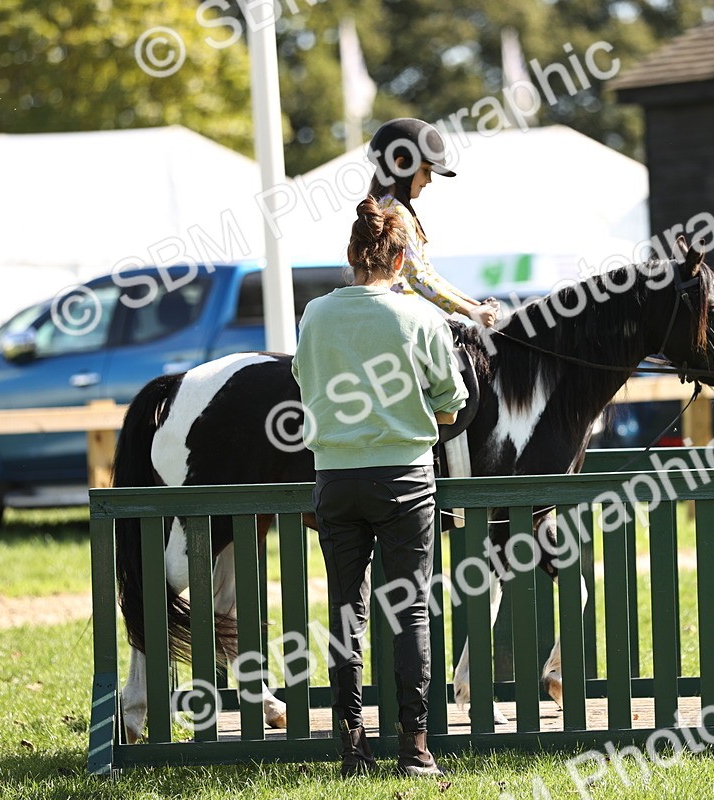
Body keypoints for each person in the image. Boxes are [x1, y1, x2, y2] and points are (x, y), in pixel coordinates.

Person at [292, 197, 469, 778]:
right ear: (400, 258)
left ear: (352, 254)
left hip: (335, 479)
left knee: (347, 613)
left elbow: (303, 382)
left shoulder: (315, 315)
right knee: (410, 611)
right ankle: (415, 748)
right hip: (404, 479)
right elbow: (451, 403)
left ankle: (351, 747)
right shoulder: (420, 318)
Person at [366, 117, 499, 328]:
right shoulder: (397, 212)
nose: (429, 180)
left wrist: (475, 305)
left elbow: (429, 273)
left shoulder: (389, 206)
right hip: (397, 319)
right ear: (400, 164)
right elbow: (417, 278)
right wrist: (471, 312)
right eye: (426, 170)